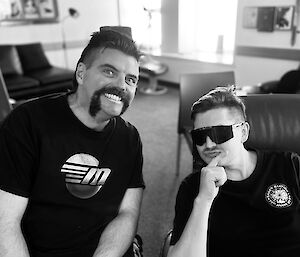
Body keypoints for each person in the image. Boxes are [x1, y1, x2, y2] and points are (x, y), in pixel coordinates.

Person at [0, 26, 145, 257]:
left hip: (106, 248)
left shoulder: (129, 138)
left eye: (131, 79)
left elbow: (127, 212)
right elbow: (5, 224)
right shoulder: (27, 123)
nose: (121, 85)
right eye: (109, 72)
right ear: (81, 73)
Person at [168, 86, 300, 257]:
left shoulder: (290, 165)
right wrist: (204, 201)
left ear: (243, 132)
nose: (208, 144)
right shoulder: (193, 188)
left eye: (219, 133)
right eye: (200, 136)